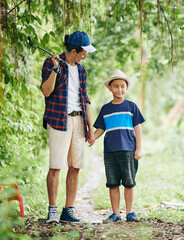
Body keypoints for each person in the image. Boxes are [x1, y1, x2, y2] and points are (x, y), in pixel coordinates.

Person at [41, 31, 96, 223]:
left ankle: (68, 210)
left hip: (78, 121)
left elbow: (85, 100)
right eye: (83, 52)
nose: (85, 55)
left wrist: (90, 128)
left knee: (76, 166)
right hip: (58, 120)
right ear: (74, 51)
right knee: (56, 166)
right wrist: (55, 69)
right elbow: (46, 92)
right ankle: (52, 210)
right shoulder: (51, 63)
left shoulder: (82, 70)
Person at [91, 70, 145, 222]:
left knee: (129, 182)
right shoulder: (105, 109)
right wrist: (93, 137)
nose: (119, 89)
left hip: (128, 150)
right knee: (113, 183)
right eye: (116, 86)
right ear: (110, 88)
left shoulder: (131, 106)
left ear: (126, 87)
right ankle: (115, 213)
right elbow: (100, 128)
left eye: (122, 86)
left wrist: (139, 148)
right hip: (110, 151)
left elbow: (138, 128)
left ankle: (130, 212)